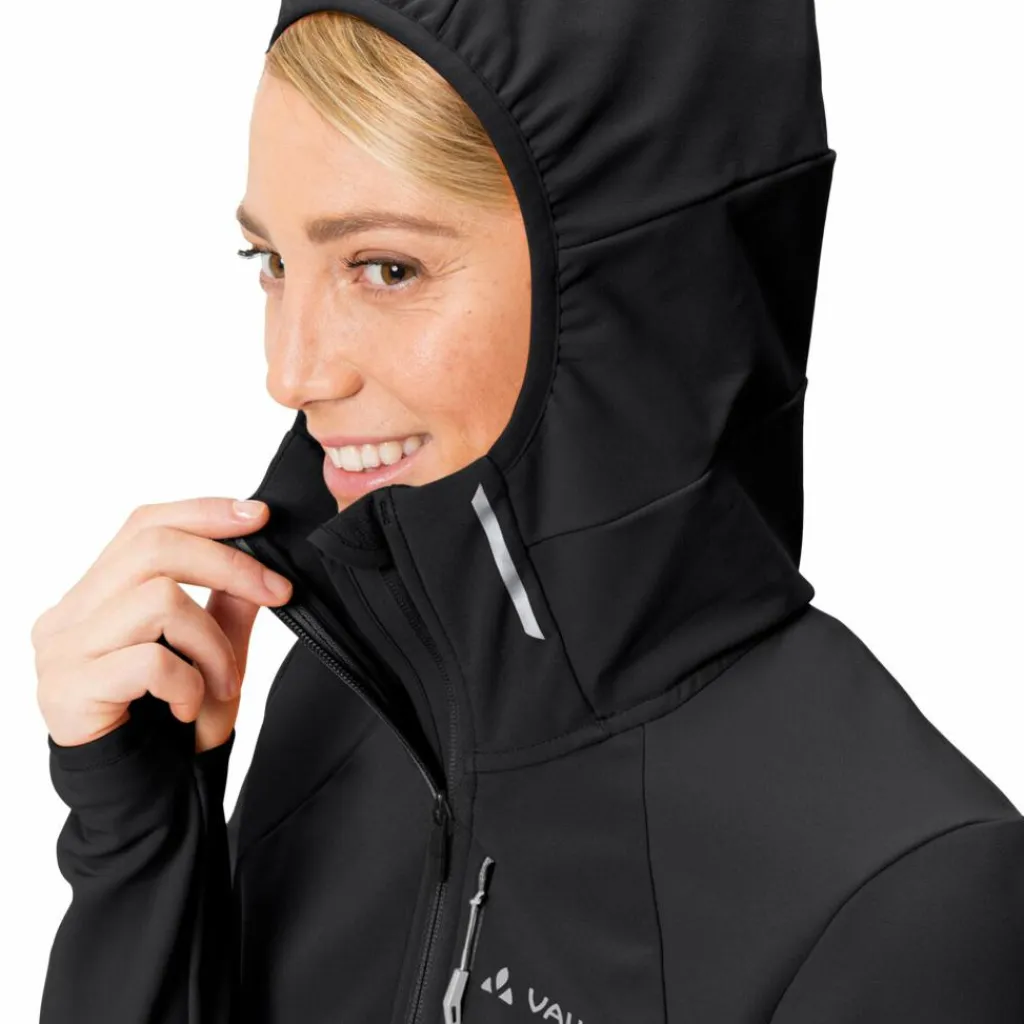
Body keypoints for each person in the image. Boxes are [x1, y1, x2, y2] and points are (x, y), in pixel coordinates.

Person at [33, 3, 1024, 1023]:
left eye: (386, 269)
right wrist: (141, 846)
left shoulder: (908, 898)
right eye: (272, 263)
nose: (291, 373)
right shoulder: (345, 704)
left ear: (622, 282)